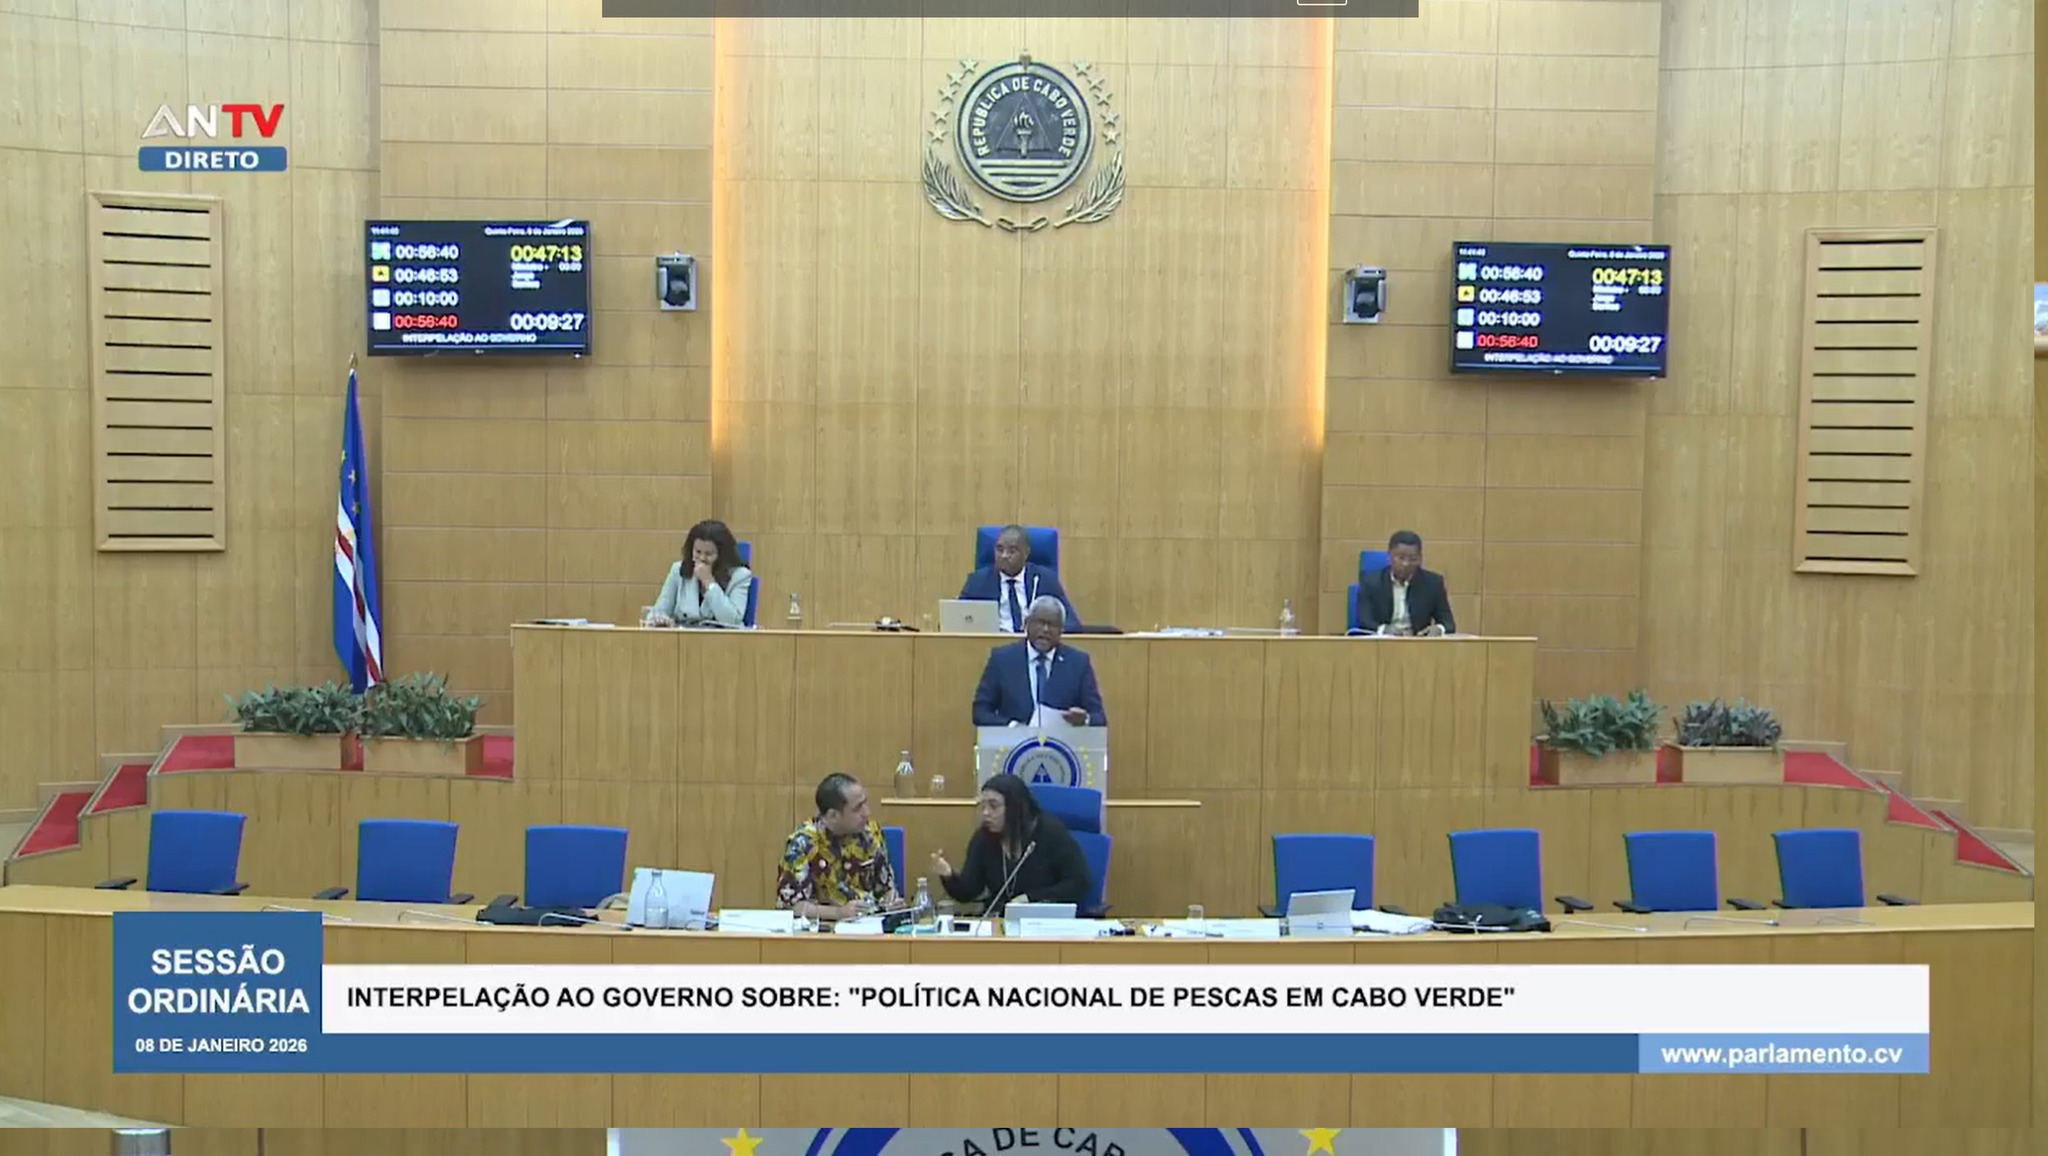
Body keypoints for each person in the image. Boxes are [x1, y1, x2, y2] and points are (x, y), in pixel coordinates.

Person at [929, 773, 1091, 913]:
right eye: (982, 806)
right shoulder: (984, 838)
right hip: (1000, 921)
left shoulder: (1050, 833)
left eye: (993, 806)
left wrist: (1030, 898)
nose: (986, 813)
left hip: (1044, 920)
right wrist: (948, 874)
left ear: (1015, 807)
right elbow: (968, 892)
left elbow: (1079, 883)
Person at [774, 773, 898, 922]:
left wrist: (891, 902)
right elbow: (791, 906)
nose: (867, 813)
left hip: (871, 924)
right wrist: (838, 913)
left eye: (865, 803)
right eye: (858, 808)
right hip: (822, 929)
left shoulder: (871, 833)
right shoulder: (802, 844)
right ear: (833, 815)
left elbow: (885, 888)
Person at [972, 596, 1106, 727]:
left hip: (1060, 740)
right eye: (1040, 623)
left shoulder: (1078, 663)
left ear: (1062, 630)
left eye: (1052, 625)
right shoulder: (1002, 659)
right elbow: (980, 712)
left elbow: (1099, 718)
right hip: (1013, 741)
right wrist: (1012, 727)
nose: (1045, 629)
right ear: (1027, 624)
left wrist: (1085, 720)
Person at [958, 524, 1080, 633]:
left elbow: (1071, 623)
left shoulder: (1044, 579)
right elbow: (958, 621)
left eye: (1012, 551)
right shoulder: (978, 581)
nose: (1004, 556)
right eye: (999, 549)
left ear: (1026, 553)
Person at [649, 519, 753, 627]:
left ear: (722, 555)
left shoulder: (740, 576)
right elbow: (659, 611)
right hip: (684, 634)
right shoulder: (678, 570)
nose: (702, 558)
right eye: (698, 552)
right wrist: (661, 619)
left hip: (721, 635)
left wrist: (709, 582)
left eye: (709, 554)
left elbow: (733, 620)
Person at [1358, 529, 1456, 636]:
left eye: (1413, 559)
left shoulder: (1433, 583)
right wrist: (1384, 629)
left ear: (1420, 559)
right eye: (1401, 558)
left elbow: (1448, 623)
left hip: (1418, 642)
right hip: (1384, 641)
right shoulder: (1371, 582)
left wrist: (1438, 629)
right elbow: (1365, 620)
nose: (1406, 564)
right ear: (1389, 556)